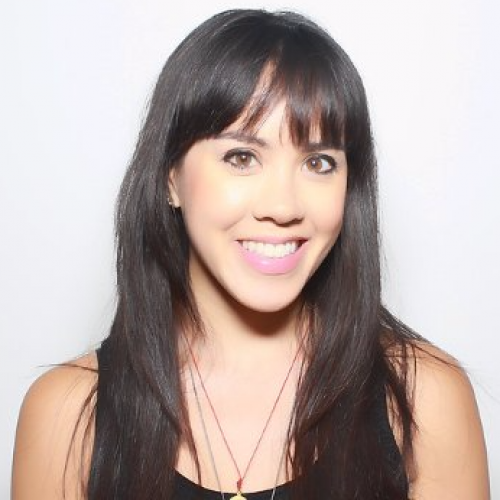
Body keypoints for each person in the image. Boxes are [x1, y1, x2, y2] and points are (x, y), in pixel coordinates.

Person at [11, 9, 489, 500]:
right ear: (171, 177)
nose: (282, 207)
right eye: (241, 158)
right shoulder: (68, 415)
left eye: (318, 162)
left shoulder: (424, 401)